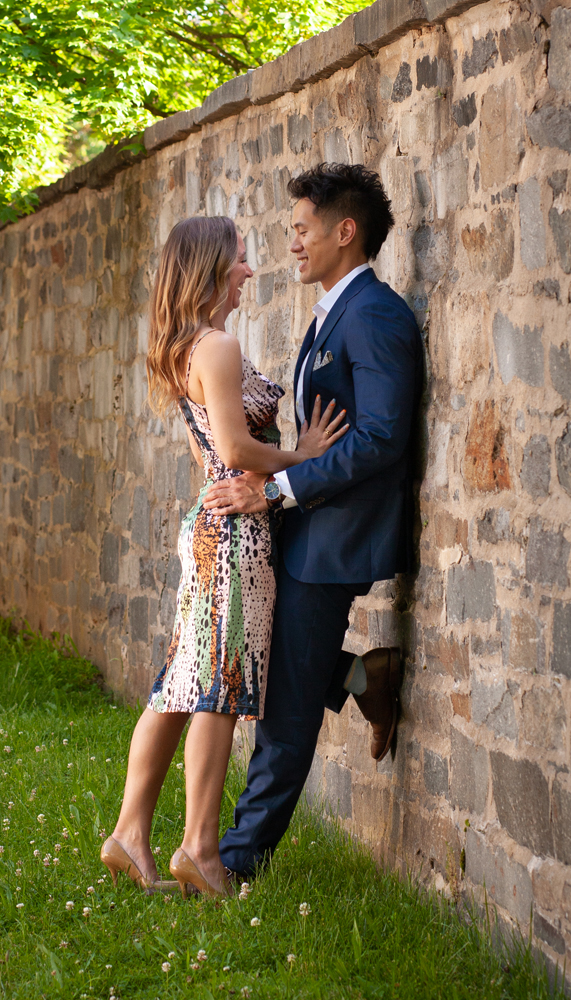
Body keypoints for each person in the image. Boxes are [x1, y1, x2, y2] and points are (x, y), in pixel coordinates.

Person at [100, 215, 348, 898]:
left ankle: (129, 835)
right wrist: (302, 457)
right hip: (235, 533)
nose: (248, 270)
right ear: (210, 267)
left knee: (181, 684)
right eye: (239, 258)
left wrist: (252, 474)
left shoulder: (183, 346)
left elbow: (212, 454)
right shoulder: (216, 345)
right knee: (217, 686)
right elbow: (234, 451)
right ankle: (201, 852)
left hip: (213, 524)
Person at [202, 163, 424, 881]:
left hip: (335, 537)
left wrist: (278, 490)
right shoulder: (333, 312)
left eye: (302, 229)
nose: (292, 243)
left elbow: (382, 437)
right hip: (304, 528)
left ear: (344, 231)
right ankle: (362, 676)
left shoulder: (376, 315)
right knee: (274, 660)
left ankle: (235, 864)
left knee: (286, 707)